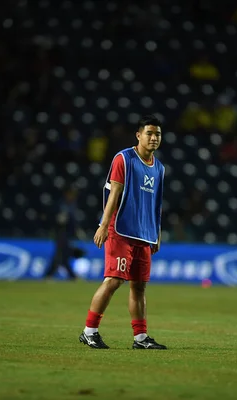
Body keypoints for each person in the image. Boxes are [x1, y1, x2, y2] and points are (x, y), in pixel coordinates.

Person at [79, 115, 167, 350]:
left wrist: (156, 233)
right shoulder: (124, 159)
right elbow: (114, 193)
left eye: (157, 134)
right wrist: (103, 225)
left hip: (144, 234)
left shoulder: (159, 167)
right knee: (113, 280)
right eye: (149, 133)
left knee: (138, 286)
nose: (154, 138)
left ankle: (140, 338)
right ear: (138, 135)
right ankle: (89, 331)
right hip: (120, 230)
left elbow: (156, 204)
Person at [44, 187, 80, 280]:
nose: (72, 196)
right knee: (60, 255)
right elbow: (52, 218)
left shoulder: (71, 205)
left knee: (63, 256)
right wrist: (58, 220)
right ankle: (70, 276)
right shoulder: (61, 205)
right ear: (67, 194)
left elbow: (72, 221)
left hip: (67, 234)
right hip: (61, 233)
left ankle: (51, 274)